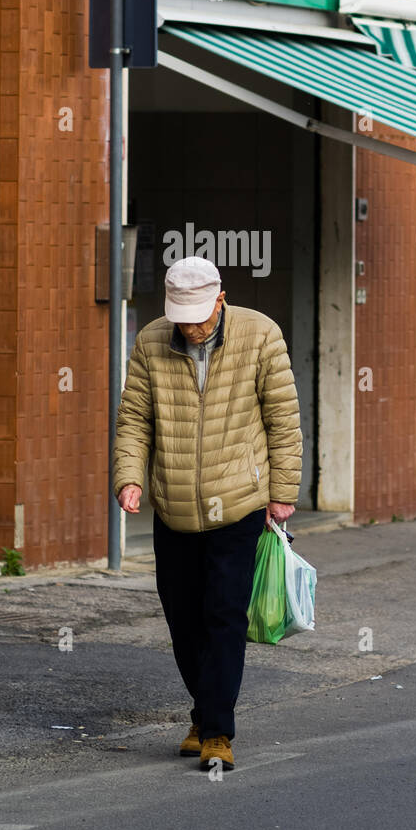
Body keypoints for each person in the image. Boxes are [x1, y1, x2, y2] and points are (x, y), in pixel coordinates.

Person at [113, 255, 303, 771]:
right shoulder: (152, 340)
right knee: (183, 620)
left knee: (223, 615)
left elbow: (282, 420)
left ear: (221, 299)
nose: (191, 327)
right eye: (182, 316)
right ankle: (205, 710)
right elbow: (134, 417)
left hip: (239, 501)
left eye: (199, 315)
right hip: (172, 504)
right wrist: (129, 477)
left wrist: (283, 491)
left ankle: (217, 730)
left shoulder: (261, 334)